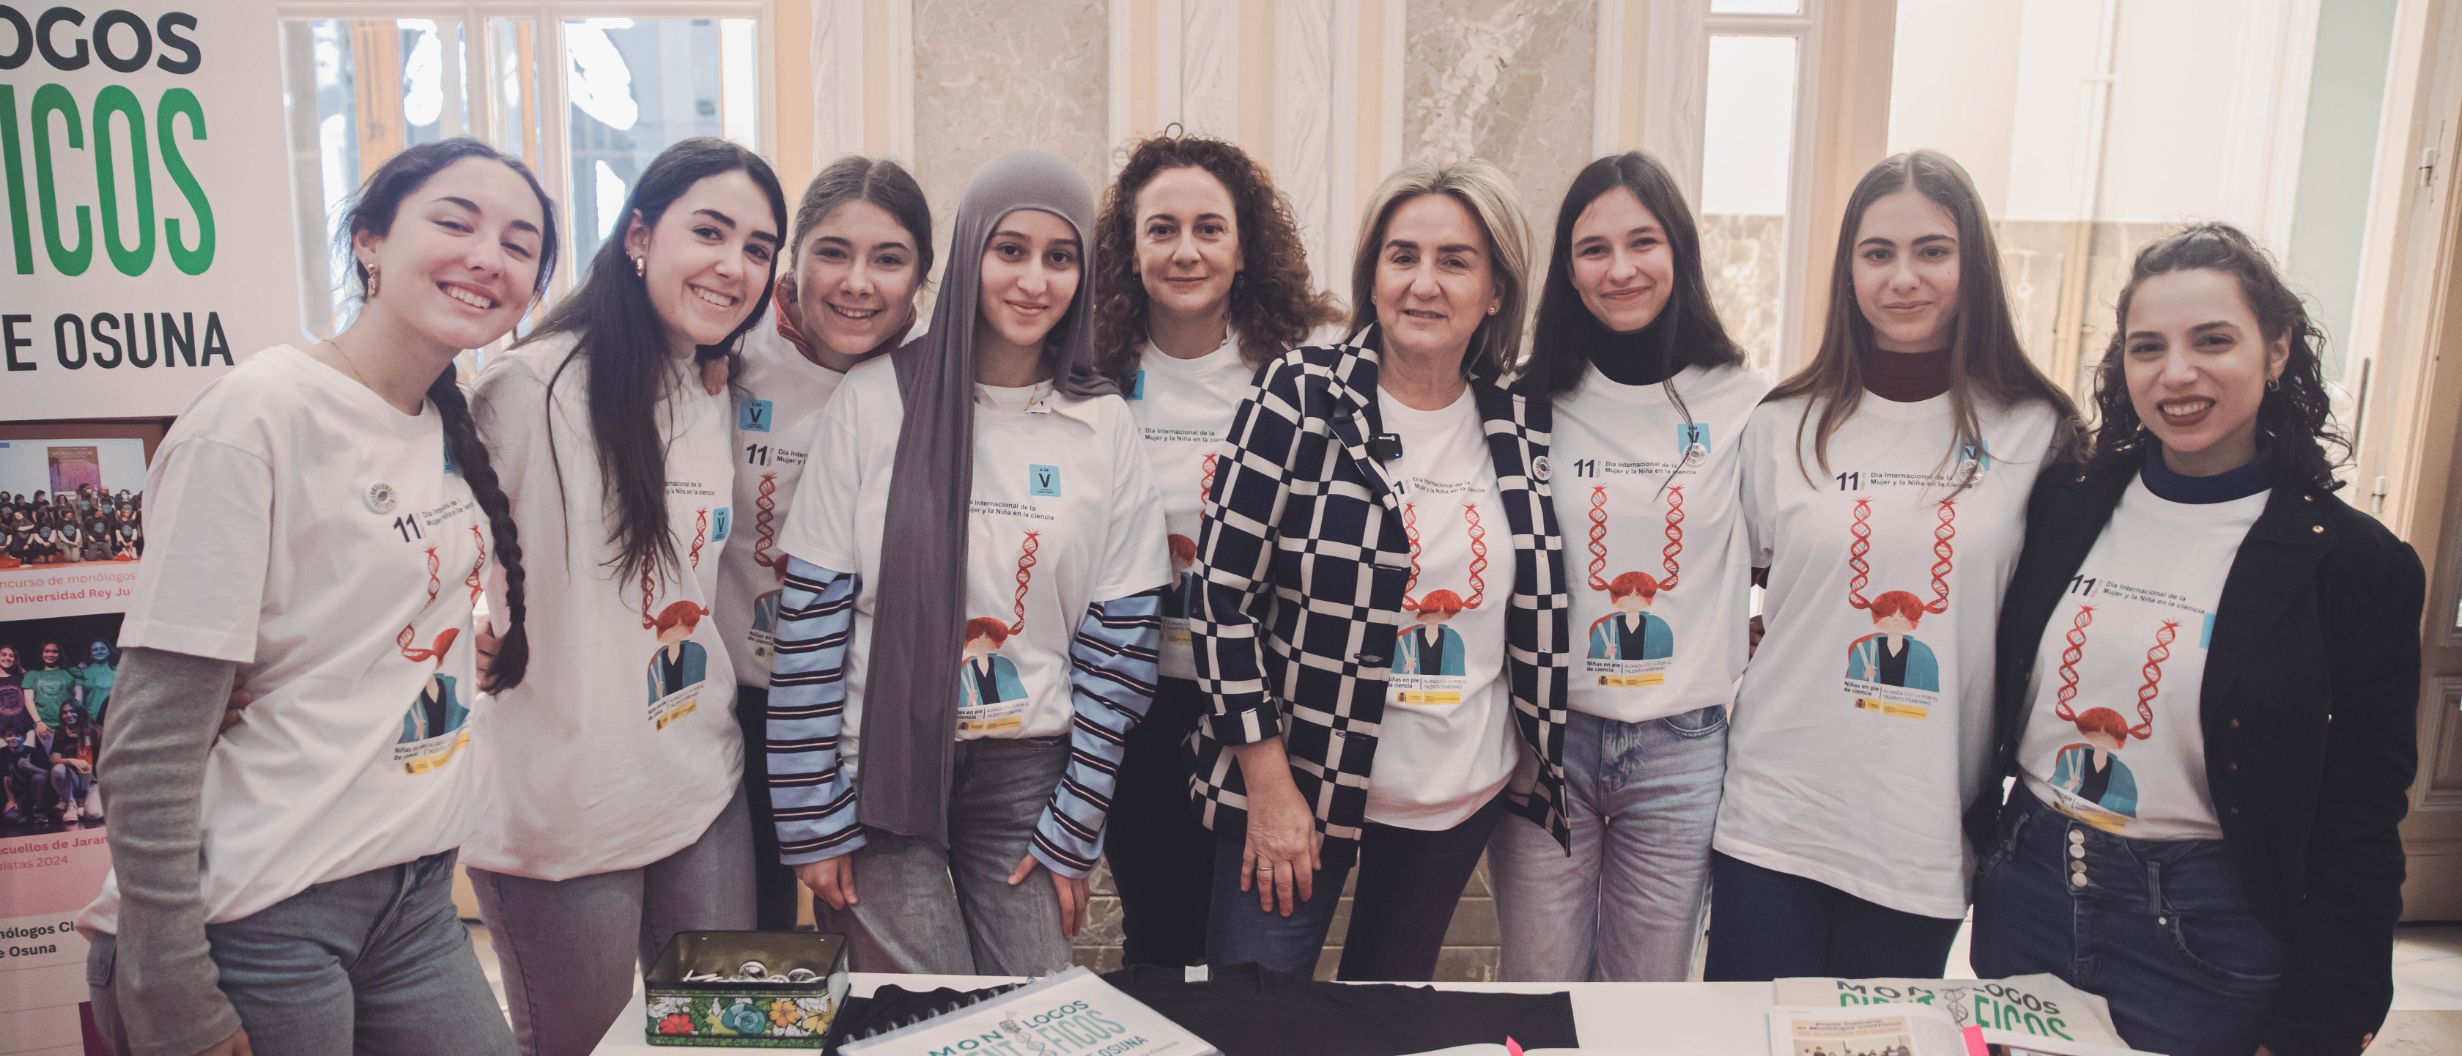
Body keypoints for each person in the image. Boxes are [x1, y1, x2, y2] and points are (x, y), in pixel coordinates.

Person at [78, 137, 549, 1056]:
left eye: (520, 242)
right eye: (455, 222)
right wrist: (174, 993)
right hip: (256, 915)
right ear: (369, 240)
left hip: (409, 899)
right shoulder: (257, 417)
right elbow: (148, 743)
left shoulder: (446, 422)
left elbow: (357, 612)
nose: (488, 256)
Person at [1967, 224, 2424, 1056]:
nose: (2176, 373)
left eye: (2213, 340)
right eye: (2149, 347)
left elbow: (2363, 813)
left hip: (2206, 929)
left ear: (2277, 348)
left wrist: (2331, 1015)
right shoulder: (2063, 504)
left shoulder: (2355, 565)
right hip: (2027, 891)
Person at [766, 150, 1168, 976]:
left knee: (1035, 1008)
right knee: (925, 1014)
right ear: (969, 255)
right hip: (878, 768)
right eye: (1008, 249)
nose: (1033, 280)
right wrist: (813, 821)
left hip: (1027, 778)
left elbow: (1120, 646)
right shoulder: (877, 398)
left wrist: (1075, 823)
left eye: (1059, 259)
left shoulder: (1101, 425)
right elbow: (811, 620)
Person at [1186, 159, 1571, 982]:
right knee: (1255, 1025)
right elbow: (1218, 597)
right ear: (1374, 276)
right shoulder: (1300, 394)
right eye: (1402, 257)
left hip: (1454, 803)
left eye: (1454, 261)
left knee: (1386, 1025)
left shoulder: (1519, 425)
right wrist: (1269, 786)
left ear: (1496, 290)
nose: (1422, 284)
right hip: (1299, 797)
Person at [1706, 150, 2081, 981]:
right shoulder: (1782, 425)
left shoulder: (2035, 430)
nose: (1903, 277)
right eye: (1878, 253)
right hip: (1774, 814)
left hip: (1923, 829)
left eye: (1932, 251)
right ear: (1848, 272)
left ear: (1971, 263)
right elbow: (1766, 591)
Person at [463, 136, 782, 1055]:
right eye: (709, 232)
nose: (734, 265)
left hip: (700, 784)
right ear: (640, 234)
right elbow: (444, 551)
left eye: (759, 249)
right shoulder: (531, 389)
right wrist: (468, 634)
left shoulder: (711, 382)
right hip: (565, 813)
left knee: (730, 1043)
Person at [1490, 151, 1770, 982]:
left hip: (1682, 749)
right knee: (1539, 989)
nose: (1620, 269)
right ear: (1568, 272)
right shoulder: (1525, 401)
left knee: (1645, 1006)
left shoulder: (1745, 400)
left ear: (1679, 251)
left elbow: (1778, 555)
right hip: (1548, 739)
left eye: (1642, 242)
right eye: (1593, 248)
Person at [1089, 130, 1342, 967]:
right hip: (1138, 701)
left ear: (1245, 248)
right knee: (1158, 932)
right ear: (1130, 248)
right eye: (1161, 229)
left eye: (1210, 229)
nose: (1185, 251)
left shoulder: (1303, 371)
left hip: (1263, 708)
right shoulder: (1090, 370)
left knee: (1243, 946)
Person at [713, 155, 932, 931]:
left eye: (888, 259)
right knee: (750, 940)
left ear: (919, 283)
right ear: (793, 262)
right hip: (728, 701)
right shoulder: (727, 358)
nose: (857, 283)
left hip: (861, 716)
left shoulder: (934, 389)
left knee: (860, 943)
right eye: (833, 252)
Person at [48, 704, 99, 825]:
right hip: (71, 782)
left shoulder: (94, 731)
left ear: (80, 712)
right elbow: (54, 759)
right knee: (58, 769)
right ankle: (70, 804)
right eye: (64, 712)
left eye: (72, 711)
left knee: (94, 813)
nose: (68, 715)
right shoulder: (60, 734)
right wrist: (71, 761)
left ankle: (82, 801)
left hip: (92, 781)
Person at [23, 642, 74, 730]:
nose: (50, 654)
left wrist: (73, 720)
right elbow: (29, 701)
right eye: (46, 651)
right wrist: (39, 722)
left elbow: (77, 700)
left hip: (67, 723)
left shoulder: (71, 672)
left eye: (55, 651)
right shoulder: (31, 674)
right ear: (41, 653)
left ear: (60, 654)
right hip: (43, 725)